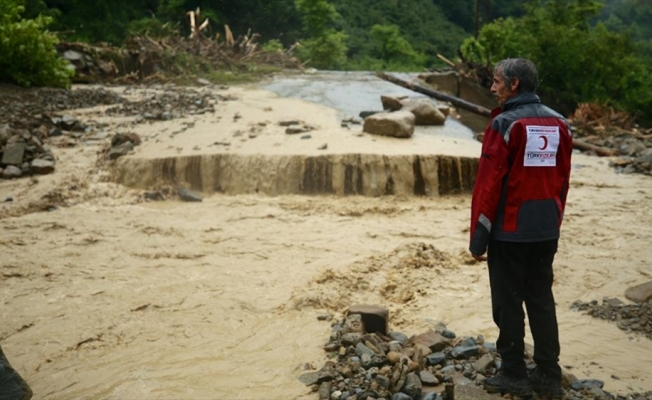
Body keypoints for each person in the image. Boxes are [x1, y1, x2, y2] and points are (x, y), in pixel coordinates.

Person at [469, 58, 572, 399]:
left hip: (510, 229)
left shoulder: (505, 125)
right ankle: (548, 374)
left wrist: (478, 238)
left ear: (514, 85)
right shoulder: (561, 124)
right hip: (546, 228)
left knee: (508, 302)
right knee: (541, 298)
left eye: (497, 81)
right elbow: (562, 181)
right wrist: (554, 221)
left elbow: (488, 184)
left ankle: (513, 373)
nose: (493, 87)